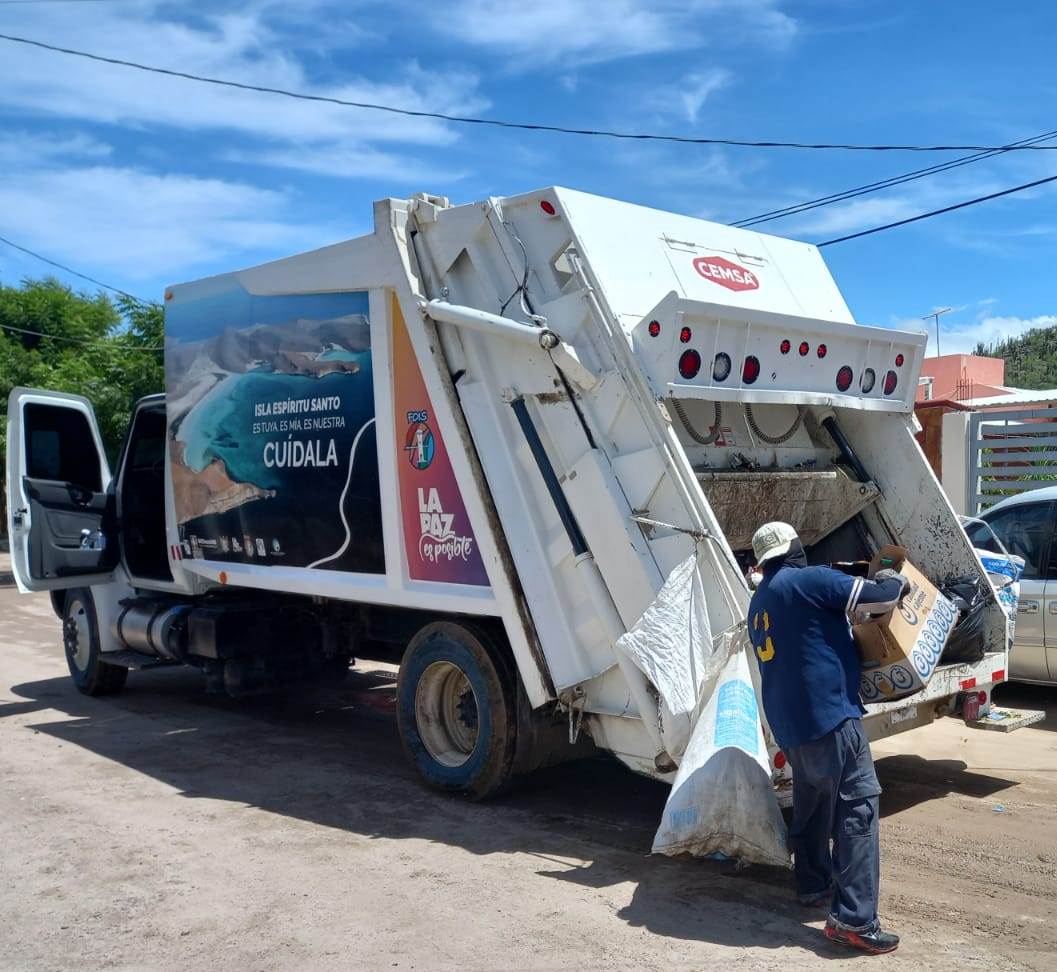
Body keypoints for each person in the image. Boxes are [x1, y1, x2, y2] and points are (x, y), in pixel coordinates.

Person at [747, 521, 909, 955]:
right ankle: (854, 920)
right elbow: (883, 597)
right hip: (831, 716)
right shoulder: (809, 580)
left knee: (814, 802)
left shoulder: (760, 599)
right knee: (858, 808)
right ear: (795, 549)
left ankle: (812, 882)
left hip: (790, 725)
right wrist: (892, 577)